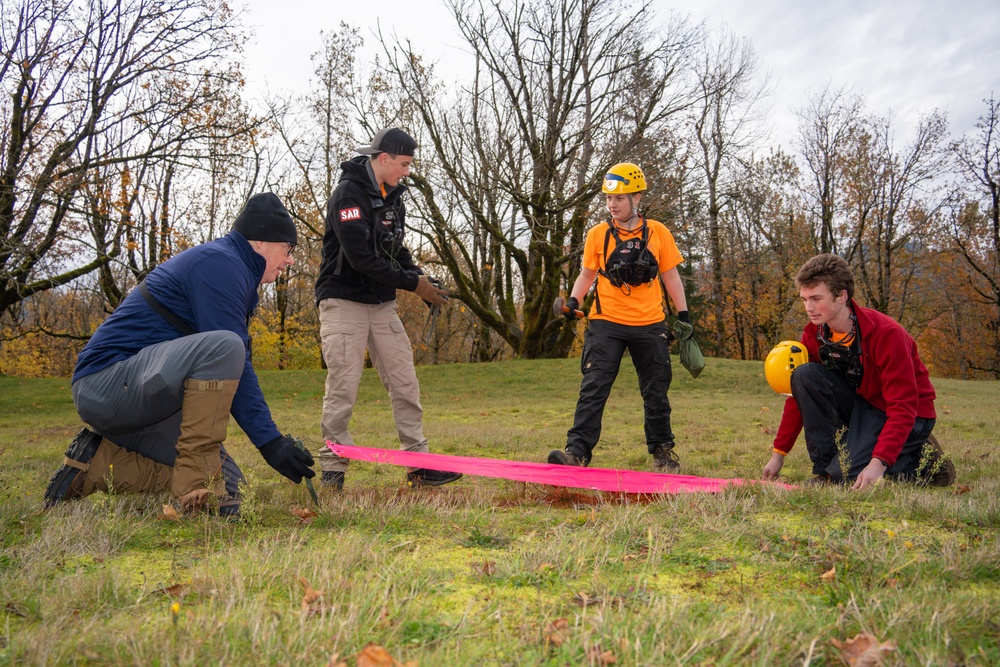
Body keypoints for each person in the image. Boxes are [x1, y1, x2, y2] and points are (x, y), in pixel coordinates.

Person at [44, 193, 316, 516]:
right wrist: (270, 442)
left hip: (146, 398)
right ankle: (192, 487)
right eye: (287, 249)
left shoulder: (235, 271)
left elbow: (232, 367)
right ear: (260, 241)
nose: (290, 260)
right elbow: (233, 358)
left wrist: (271, 440)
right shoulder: (220, 266)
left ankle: (93, 465)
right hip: (106, 384)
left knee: (231, 491)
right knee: (226, 347)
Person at [314, 127, 462, 490]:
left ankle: (419, 464)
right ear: (383, 159)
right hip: (343, 301)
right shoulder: (347, 195)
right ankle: (333, 469)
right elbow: (361, 258)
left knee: (404, 382)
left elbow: (395, 249)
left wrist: (420, 278)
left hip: (381, 304)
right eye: (404, 164)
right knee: (343, 387)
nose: (407, 171)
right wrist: (413, 284)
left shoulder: (394, 196)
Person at [762, 253, 955, 490]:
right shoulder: (814, 335)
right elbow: (800, 396)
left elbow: (904, 404)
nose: (809, 308)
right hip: (865, 407)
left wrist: (879, 462)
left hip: (911, 414)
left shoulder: (887, 334)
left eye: (816, 298)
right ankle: (826, 472)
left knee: (850, 473)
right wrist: (778, 453)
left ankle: (923, 462)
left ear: (842, 295)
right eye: (804, 299)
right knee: (803, 374)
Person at [547, 162, 693, 471]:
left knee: (656, 390)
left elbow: (672, 278)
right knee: (594, 385)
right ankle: (576, 453)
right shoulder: (598, 234)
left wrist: (684, 316)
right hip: (606, 322)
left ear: (637, 198)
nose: (612, 205)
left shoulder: (659, 233)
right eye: (608, 199)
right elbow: (587, 274)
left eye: (620, 198)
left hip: (650, 323)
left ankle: (663, 454)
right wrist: (575, 299)